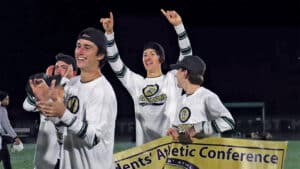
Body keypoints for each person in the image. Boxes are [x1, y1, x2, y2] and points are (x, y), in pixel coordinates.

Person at [100, 9, 193, 145]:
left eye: (152, 54)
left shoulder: (172, 79)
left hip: (171, 149)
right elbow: (115, 62)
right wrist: (109, 34)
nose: (147, 57)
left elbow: (187, 55)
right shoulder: (136, 83)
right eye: (145, 55)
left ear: (161, 58)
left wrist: (179, 26)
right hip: (145, 157)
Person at [29, 27, 117, 169]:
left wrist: (63, 113)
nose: (80, 51)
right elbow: (63, 126)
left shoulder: (102, 91)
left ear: (100, 55)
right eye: (78, 46)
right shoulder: (73, 84)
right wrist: (45, 102)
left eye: (87, 47)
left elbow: (93, 138)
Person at [23, 53, 77, 169]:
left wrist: (63, 81)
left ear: (74, 73)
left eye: (64, 67)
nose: (58, 70)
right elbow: (27, 106)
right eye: (56, 67)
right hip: (47, 154)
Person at [166, 56, 235, 142]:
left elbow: (229, 122)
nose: (176, 75)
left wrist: (197, 128)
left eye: (178, 70)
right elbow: (182, 127)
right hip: (185, 153)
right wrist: (175, 131)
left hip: (207, 153)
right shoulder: (180, 100)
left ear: (185, 72)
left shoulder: (207, 96)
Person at [0, 91, 23, 169]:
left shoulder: (2, 108)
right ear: (1, 100)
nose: (8, 101)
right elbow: (6, 125)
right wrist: (15, 137)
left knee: (6, 158)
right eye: (6, 99)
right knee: (5, 158)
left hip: (1, 138)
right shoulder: (1, 109)